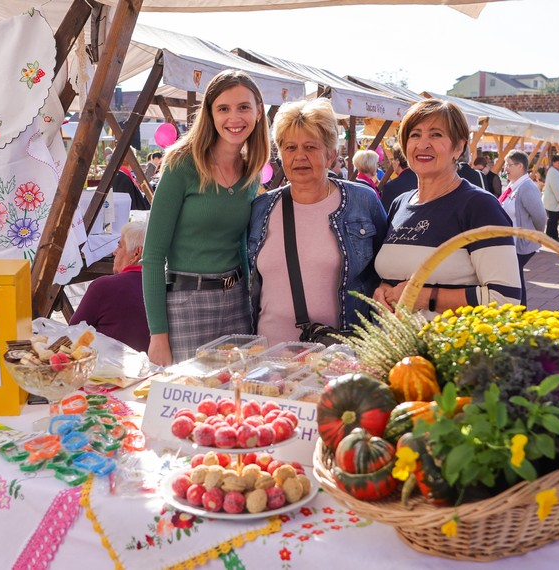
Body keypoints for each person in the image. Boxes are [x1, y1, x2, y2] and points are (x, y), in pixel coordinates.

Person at [141, 69, 270, 366]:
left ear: (258, 112)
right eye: (223, 108)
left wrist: (249, 304)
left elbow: (240, 244)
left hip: (237, 302)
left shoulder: (250, 172)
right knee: (190, 392)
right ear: (210, 114)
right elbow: (153, 256)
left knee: (238, 390)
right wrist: (157, 335)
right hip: (188, 304)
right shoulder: (181, 164)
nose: (234, 118)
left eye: (243, 107)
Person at [248, 98, 386, 344]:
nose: (299, 156)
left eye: (310, 147)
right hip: (269, 354)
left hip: (339, 355)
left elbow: (384, 274)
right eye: (290, 148)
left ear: (330, 155)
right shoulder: (261, 208)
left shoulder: (362, 201)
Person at [373, 99, 521, 313]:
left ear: (458, 147)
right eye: (415, 135)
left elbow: (506, 299)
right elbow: (394, 275)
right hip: (394, 335)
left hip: (449, 335)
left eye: (436, 134)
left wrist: (424, 297)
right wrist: (382, 289)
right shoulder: (400, 204)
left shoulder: (480, 207)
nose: (423, 144)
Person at [69, 221, 151, 352]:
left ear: (136, 253)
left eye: (120, 246)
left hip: (106, 364)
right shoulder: (165, 288)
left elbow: (72, 334)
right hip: (151, 363)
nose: (115, 252)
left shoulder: (104, 287)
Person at [501, 150, 547, 306]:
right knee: (515, 278)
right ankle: (519, 311)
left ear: (520, 166)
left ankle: (520, 311)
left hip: (520, 244)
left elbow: (540, 217)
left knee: (515, 278)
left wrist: (534, 236)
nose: (505, 168)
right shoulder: (513, 185)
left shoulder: (526, 187)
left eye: (508, 165)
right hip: (511, 243)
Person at [380, 143, 419, 212]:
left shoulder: (391, 187)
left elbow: (385, 215)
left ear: (397, 161)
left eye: (392, 159)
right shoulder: (424, 182)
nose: (392, 162)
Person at [542, 154, 559, 241]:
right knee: (553, 220)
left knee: (554, 220)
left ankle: (553, 236)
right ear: (553, 163)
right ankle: (550, 237)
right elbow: (555, 187)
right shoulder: (553, 172)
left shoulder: (555, 171)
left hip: (554, 200)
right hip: (553, 200)